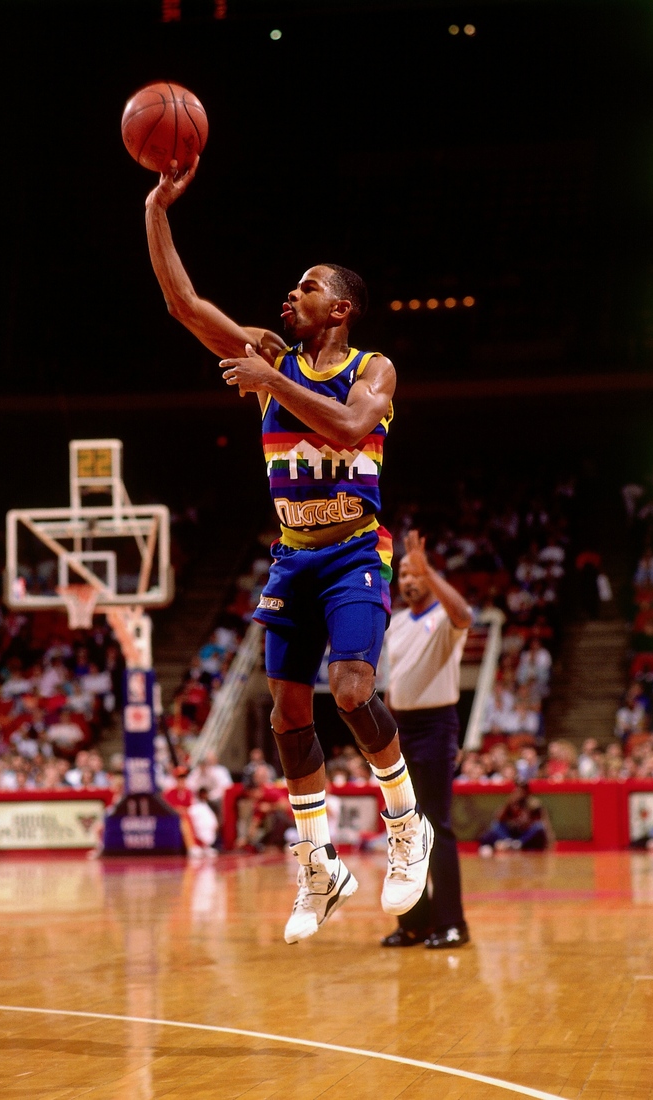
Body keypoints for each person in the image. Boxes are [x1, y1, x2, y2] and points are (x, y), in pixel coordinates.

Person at [145, 162, 433, 944]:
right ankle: (319, 863)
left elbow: (347, 428)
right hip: (292, 556)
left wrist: (269, 379)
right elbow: (182, 303)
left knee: (351, 689)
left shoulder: (372, 368)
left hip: (353, 552)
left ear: (339, 307)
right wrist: (157, 206)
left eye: (306, 287)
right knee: (286, 713)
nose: (289, 294)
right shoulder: (267, 356)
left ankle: (405, 823)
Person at [379, 530, 472, 949]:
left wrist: (429, 569)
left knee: (437, 824)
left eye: (414, 573)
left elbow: (465, 614)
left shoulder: (445, 619)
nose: (408, 580)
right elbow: (393, 681)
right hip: (400, 728)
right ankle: (414, 923)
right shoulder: (396, 623)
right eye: (403, 574)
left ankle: (452, 923)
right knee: (404, 828)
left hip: (436, 725)